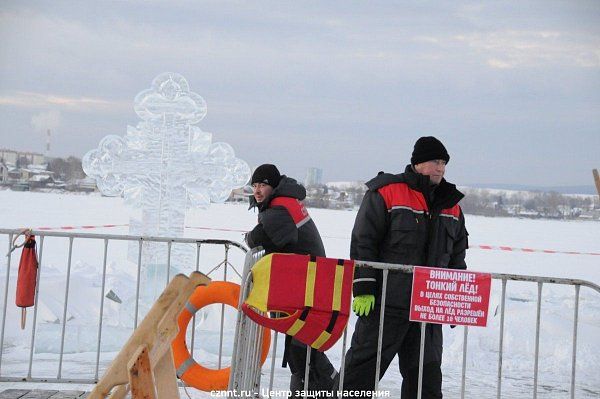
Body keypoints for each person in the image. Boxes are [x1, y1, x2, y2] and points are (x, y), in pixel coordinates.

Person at [335, 137, 468, 398]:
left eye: (443, 163)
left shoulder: (451, 205)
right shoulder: (387, 191)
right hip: (386, 305)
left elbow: (456, 255)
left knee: (426, 381)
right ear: (418, 163)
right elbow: (364, 241)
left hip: (427, 310)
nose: (440, 168)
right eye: (435, 162)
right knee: (359, 374)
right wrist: (363, 286)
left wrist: (454, 299)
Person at [246, 164, 337, 396]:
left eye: (263, 185)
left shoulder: (279, 207)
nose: (257, 190)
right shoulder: (284, 201)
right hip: (306, 280)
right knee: (300, 340)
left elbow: (276, 239)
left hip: (307, 283)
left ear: (273, 186)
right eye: (255, 185)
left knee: (301, 341)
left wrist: (252, 236)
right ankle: (310, 386)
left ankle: (329, 387)